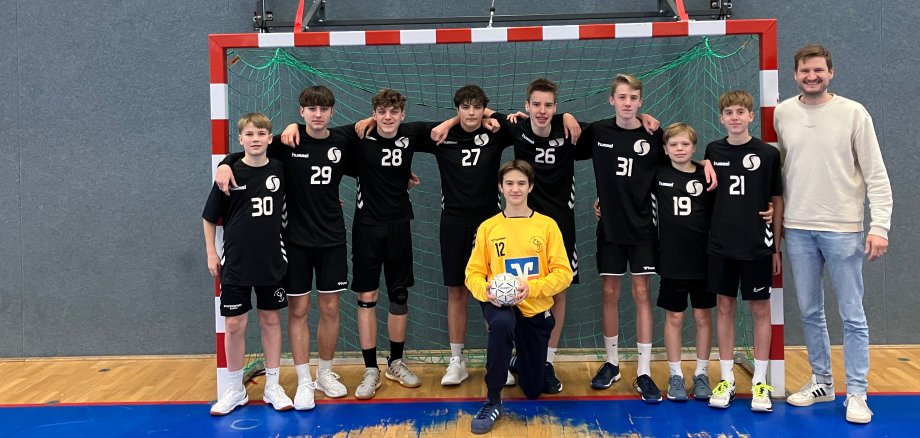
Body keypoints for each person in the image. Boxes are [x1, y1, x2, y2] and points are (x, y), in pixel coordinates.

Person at [279, 89, 438, 399]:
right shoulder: (356, 136)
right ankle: (370, 369)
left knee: (399, 294)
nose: (388, 117)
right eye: (382, 112)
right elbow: (314, 131)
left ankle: (396, 362)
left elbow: (452, 125)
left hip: (399, 225)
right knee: (367, 295)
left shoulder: (411, 133)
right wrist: (291, 126)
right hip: (366, 227)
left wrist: (489, 116)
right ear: (373, 113)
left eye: (394, 112)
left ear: (402, 115)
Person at [776, 44, 892, 424]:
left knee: (852, 315)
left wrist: (880, 226)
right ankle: (822, 382)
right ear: (795, 75)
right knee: (810, 312)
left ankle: (857, 391)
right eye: (805, 71)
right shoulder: (783, 113)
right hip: (797, 228)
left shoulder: (853, 113)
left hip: (843, 229)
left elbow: (876, 174)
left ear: (831, 73)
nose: (812, 76)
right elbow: (778, 169)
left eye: (818, 70)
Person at [215, 86, 351, 410]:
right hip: (296, 241)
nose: (318, 114)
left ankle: (325, 374)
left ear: (332, 112)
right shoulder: (288, 142)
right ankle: (303, 381)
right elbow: (252, 148)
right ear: (301, 112)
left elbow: (372, 153)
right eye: (311, 108)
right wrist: (225, 164)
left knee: (331, 309)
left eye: (324, 109)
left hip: (333, 238)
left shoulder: (343, 141)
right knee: (298, 310)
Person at [577, 74, 668, 403]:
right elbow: (560, 133)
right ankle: (612, 363)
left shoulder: (654, 134)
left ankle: (643, 370)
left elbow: (680, 158)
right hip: (610, 227)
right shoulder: (598, 131)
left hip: (643, 227)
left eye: (633, 98)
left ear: (640, 101)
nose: (627, 103)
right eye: (621, 97)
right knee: (609, 292)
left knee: (641, 292)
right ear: (611, 100)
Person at [464, 159, 573, 434]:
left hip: (534, 305)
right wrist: (485, 290)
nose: (515, 189)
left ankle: (518, 362)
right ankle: (493, 400)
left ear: (530, 187)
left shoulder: (547, 226)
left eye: (521, 183)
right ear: (501, 187)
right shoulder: (488, 227)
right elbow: (472, 273)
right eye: (509, 183)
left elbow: (564, 273)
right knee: (501, 324)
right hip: (499, 304)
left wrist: (532, 288)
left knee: (534, 389)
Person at [203, 113, 293, 415]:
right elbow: (208, 218)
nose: (256, 139)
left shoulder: (280, 168)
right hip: (236, 261)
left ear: (270, 138)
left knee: (271, 320)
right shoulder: (229, 173)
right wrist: (211, 253)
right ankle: (235, 390)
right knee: (234, 324)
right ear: (240, 139)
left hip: (271, 259)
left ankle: (272, 386)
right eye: (250, 134)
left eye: (262, 133)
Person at [427, 85, 516, 387]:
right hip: (453, 222)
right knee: (457, 291)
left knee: (496, 290)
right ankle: (457, 361)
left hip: (490, 224)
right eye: (465, 107)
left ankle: (499, 361)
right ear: (457, 109)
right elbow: (396, 129)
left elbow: (511, 124)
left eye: (477, 107)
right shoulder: (441, 135)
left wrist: (486, 115)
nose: (471, 112)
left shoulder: (495, 132)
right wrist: (450, 123)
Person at [704, 90, 783, 412]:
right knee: (724, 308)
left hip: (757, 245)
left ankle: (760, 382)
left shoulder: (768, 153)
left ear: (751, 116)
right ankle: (727, 379)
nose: (735, 117)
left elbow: (777, 199)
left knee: (760, 310)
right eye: (729, 113)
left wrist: (776, 246)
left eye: (740, 112)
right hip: (721, 245)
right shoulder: (712, 150)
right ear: (721, 118)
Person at [653, 122, 716, 402]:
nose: (680, 149)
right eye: (674, 144)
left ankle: (702, 373)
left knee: (702, 317)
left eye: (685, 144)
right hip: (671, 259)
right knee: (675, 317)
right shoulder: (659, 174)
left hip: (703, 259)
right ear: (665, 149)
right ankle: (675, 374)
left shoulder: (707, 174)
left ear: (694, 147)